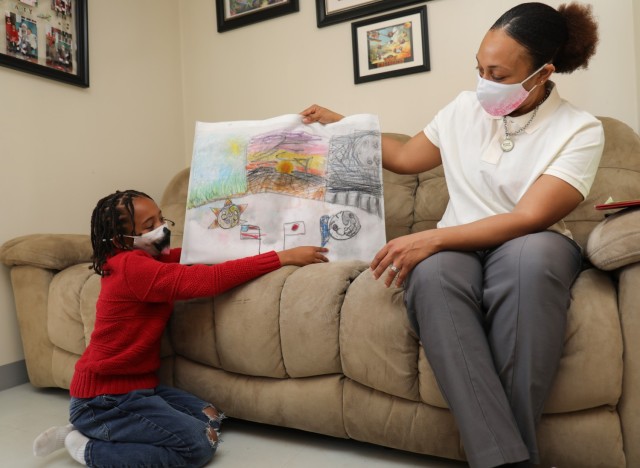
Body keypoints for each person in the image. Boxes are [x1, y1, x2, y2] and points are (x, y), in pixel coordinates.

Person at [300, 2, 602, 467]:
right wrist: (343, 124)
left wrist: (431, 238)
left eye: (498, 75)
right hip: (457, 244)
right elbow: (404, 158)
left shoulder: (579, 129)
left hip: (532, 242)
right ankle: (510, 459)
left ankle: (499, 456)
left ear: (542, 73)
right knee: (433, 276)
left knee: (529, 261)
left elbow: (529, 217)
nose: (484, 84)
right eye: (479, 69)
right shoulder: (464, 108)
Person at [33, 189, 329, 467]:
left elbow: (199, 256)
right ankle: (86, 446)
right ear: (121, 238)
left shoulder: (147, 258)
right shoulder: (134, 269)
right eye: (150, 224)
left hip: (138, 390)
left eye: (161, 218)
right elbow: (207, 280)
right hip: (104, 398)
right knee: (199, 445)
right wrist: (282, 257)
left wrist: (262, 244)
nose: (162, 227)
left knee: (210, 418)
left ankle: (106, 427)